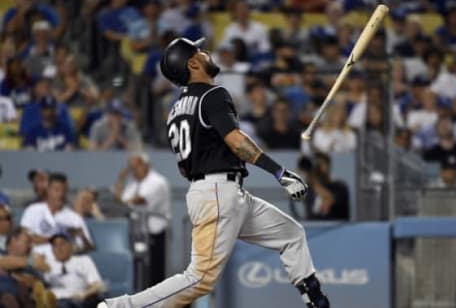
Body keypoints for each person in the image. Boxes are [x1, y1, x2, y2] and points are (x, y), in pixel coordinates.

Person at [98, 38, 329, 308]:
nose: (206, 53)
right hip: (218, 193)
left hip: (219, 192)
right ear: (193, 63)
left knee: (291, 233)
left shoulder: (175, 110)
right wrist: (279, 172)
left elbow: (186, 167)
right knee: (201, 279)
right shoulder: (212, 94)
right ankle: (120, 307)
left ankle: (316, 301)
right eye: (200, 51)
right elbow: (235, 140)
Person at [114, 152, 171, 285]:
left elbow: (138, 200)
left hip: (156, 232)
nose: (133, 171)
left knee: (155, 272)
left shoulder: (157, 181)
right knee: (138, 269)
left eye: (136, 167)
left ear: (146, 165)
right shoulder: (133, 183)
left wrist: (123, 200)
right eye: (131, 168)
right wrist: (121, 179)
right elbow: (120, 201)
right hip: (138, 231)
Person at [20, 173, 94, 258]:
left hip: (65, 260)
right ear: (48, 190)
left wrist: (81, 236)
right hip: (37, 259)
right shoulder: (33, 210)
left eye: (64, 191)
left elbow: (89, 248)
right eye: (57, 190)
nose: (60, 194)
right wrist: (56, 238)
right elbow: (24, 238)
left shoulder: (74, 218)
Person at [44, 232, 103, 308]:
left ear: (70, 246)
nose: (58, 248)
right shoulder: (46, 264)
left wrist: (84, 294)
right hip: (52, 300)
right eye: (55, 245)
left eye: (62, 244)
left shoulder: (83, 261)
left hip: (75, 300)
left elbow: (96, 285)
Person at [0, 227, 52, 308]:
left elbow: (38, 285)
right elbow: (3, 262)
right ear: (14, 241)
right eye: (27, 242)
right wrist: (31, 262)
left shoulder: (31, 265)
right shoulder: (2, 253)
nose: (30, 246)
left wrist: (24, 279)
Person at [300, 153, 350, 221]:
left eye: (320, 165)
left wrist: (315, 183)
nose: (317, 168)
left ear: (328, 166)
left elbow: (328, 200)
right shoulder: (309, 190)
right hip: (312, 228)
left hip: (336, 228)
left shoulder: (339, 187)